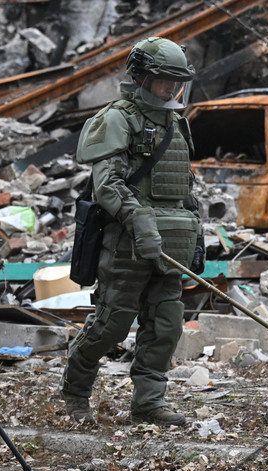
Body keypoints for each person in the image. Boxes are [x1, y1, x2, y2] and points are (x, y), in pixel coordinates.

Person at [61, 37, 205, 426]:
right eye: (164, 80)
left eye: (178, 81)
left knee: (165, 325)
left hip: (171, 241)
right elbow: (107, 184)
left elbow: (184, 189)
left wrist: (197, 235)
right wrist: (139, 220)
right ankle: (75, 393)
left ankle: (148, 403)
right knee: (112, 324)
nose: (172, 89)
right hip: (126, 242)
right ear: (141, 77)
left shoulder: (177, 123)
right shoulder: (118, 119)